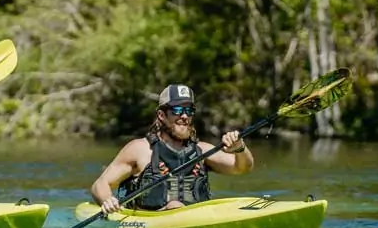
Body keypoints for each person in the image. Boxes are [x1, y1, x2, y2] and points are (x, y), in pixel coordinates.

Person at [91, 84, 255, 213]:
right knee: (175, 205)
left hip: (195, 221)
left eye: (189, 110)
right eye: (177, 110)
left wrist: (240, 148)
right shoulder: (140, 149)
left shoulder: (202, 150)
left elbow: (241, 168)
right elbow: (101, 184)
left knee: (177, 205)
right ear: (162, 116)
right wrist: (107, 201)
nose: (184, 116)